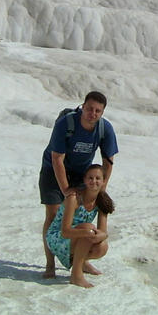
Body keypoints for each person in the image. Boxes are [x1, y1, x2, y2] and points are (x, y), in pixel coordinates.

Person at [40, 91, 118, 278]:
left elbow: (108, 161)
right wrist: (66, 190)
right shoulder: (66, 124)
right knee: (53, 215)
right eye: (89, 109)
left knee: (82, 220)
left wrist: (101, 189)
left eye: (98, 111)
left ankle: (81, 261)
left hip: (81, 173)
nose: (93, 113)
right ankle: (49, 264)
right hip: (53, 170)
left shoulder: (104, 129)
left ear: (102, 113)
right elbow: (57, 158)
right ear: (83, 106)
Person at [45, 164, 115, 288]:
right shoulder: (74, 198)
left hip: (79, 236)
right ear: (84, 180)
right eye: (90, 178)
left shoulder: (102, 200)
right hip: (57, 238)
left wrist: (101, 235)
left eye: (98, 178)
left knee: (102, 247)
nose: (94, 181)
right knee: (88, 228)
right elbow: (65, 231)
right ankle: (76, 275)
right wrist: (88, 233)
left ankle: (80, 261)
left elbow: (103, 231)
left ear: (104, 181)